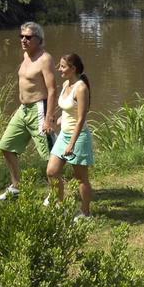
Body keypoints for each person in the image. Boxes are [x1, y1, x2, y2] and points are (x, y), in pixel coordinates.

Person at [0, 21, 57, 200]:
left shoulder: (45, 59)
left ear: (39, 39)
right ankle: (16, 187)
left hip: (39, 109)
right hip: (23, 109)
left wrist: (49, 118)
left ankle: (55, 194)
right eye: (21, 36)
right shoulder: (26, 55)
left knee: (50, 156)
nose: (23, 40)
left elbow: (52, 89)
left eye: (28, 37)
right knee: (6, 146)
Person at [47, 52, 94, 219]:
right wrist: (57, 120)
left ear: (73, 68)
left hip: (78, 137)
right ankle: (60, 208)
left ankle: (86, 213)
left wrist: (72, 144)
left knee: (81, 178)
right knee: (51, 172)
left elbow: (81, 118)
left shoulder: (80, 88)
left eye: (62, 66)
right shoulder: (67, 83)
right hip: (64, 135)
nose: (58, 69)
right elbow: (70, 110)